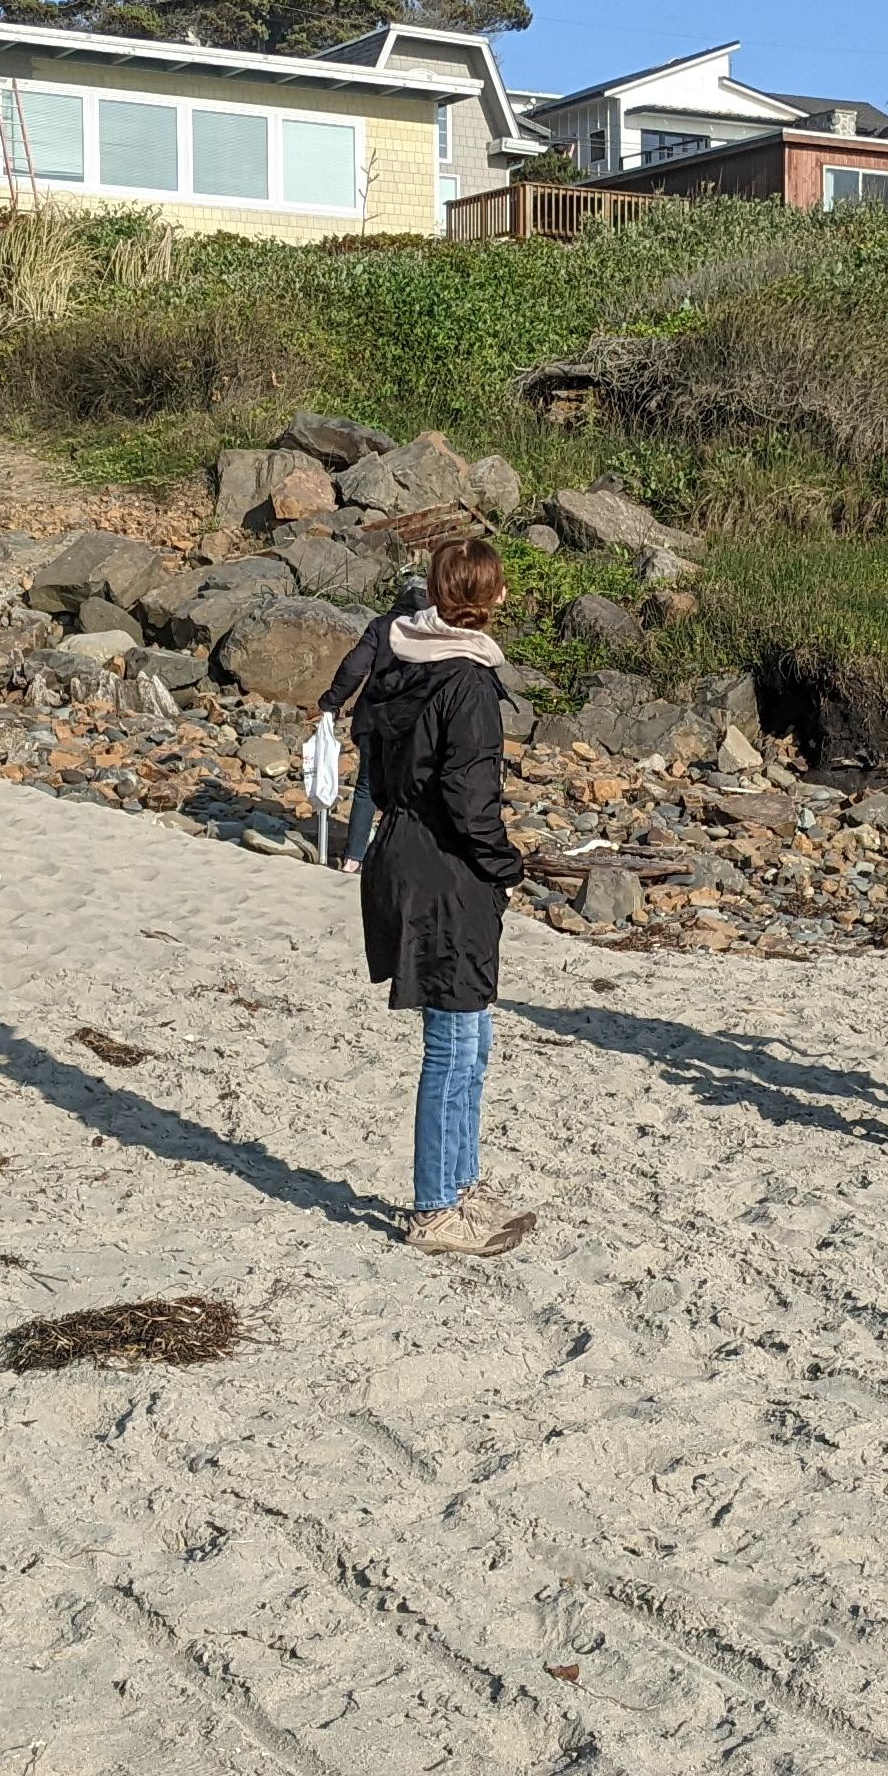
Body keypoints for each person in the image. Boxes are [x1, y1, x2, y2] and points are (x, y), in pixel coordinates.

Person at [355, 538, 536, 1255]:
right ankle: (435, 1207)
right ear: (490, 596)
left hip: (404, 854)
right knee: (454, 1042)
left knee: (474, 1036)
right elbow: (469, 794)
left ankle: (461, 1187)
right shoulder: (464, 679)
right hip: (443, 866)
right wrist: (503, 865)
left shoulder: (397, 654)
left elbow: (373, 754)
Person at [310, 567, 427, 874]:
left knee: (365, 788)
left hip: (373, 719)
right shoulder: (433, 633)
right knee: (406, 791)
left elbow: (354, 666)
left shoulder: (382, 625)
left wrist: (332, 701)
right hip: (413, 724)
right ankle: (393, 860)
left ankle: (353, 859)